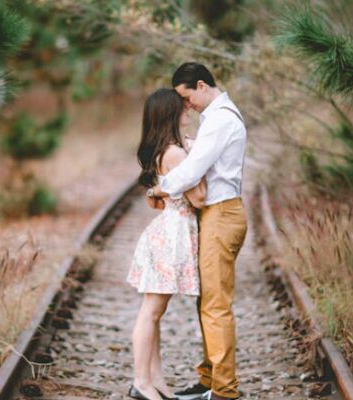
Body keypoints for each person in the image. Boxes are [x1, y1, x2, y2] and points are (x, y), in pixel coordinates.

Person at [149, 62, 248, 400]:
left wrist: (160, 188)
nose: (185, 105)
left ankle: (224, 391)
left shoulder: (221, 119)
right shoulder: (214, 118)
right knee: (207, 301)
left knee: (215, 305)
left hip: (222, 215)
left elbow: (192, 171)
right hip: (215, 215)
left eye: (186, 96)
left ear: (202, 86)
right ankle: (209, 380)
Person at [127, 88, 208, 400]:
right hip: (172, 235)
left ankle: (155, 379)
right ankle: (141, 382)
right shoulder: (175, 153)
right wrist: (194, 159)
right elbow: (199, 198)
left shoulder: (168, 149)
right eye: (181, 106)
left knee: (154, 313)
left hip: (167, 229)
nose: (187, 109)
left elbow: (159, 201)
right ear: (170, 114)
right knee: (151, 312)